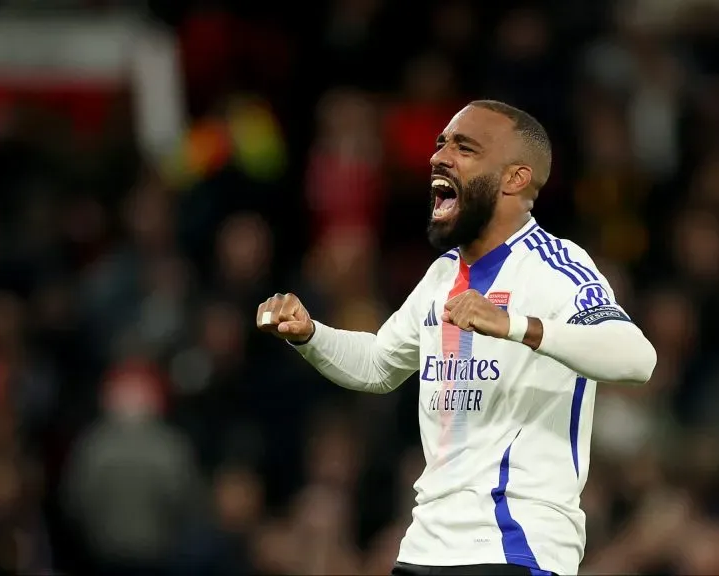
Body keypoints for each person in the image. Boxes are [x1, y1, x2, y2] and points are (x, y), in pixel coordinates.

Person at [257, 100, 657, 576]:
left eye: (464, 148)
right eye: (441, 143)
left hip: (514, 545)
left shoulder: (556, 268)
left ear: (515, 179)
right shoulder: (442, 276)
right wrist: (310, 335)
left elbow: (637, 358)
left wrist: (513, 325)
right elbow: (381, 365)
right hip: (427, 546)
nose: (439, 157)